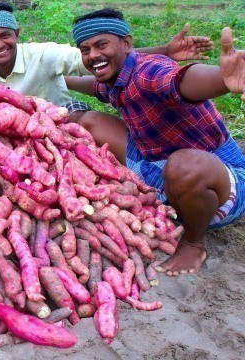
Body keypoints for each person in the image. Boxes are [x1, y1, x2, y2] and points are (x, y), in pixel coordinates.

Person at [66, 8, 245, 276]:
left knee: (185, 165)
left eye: (101, 45)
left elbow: (181, 80)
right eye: (85, 49)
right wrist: (57, 77)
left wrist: (222, 79)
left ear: (126, 44)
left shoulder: (150, 72)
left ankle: (193, 243)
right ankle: (164, 195)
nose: (93, 55)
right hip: (156, 165)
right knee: (88, 120)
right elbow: (91, 85)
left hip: (217, 182)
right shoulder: (114, 75)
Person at [0, 3, 214, 123]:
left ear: (17, 35)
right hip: (11, 127)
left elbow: (101, 57)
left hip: (61, 116)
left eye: (5, 36)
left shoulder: (43, 55)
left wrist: (165, 51)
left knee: (85, 123)